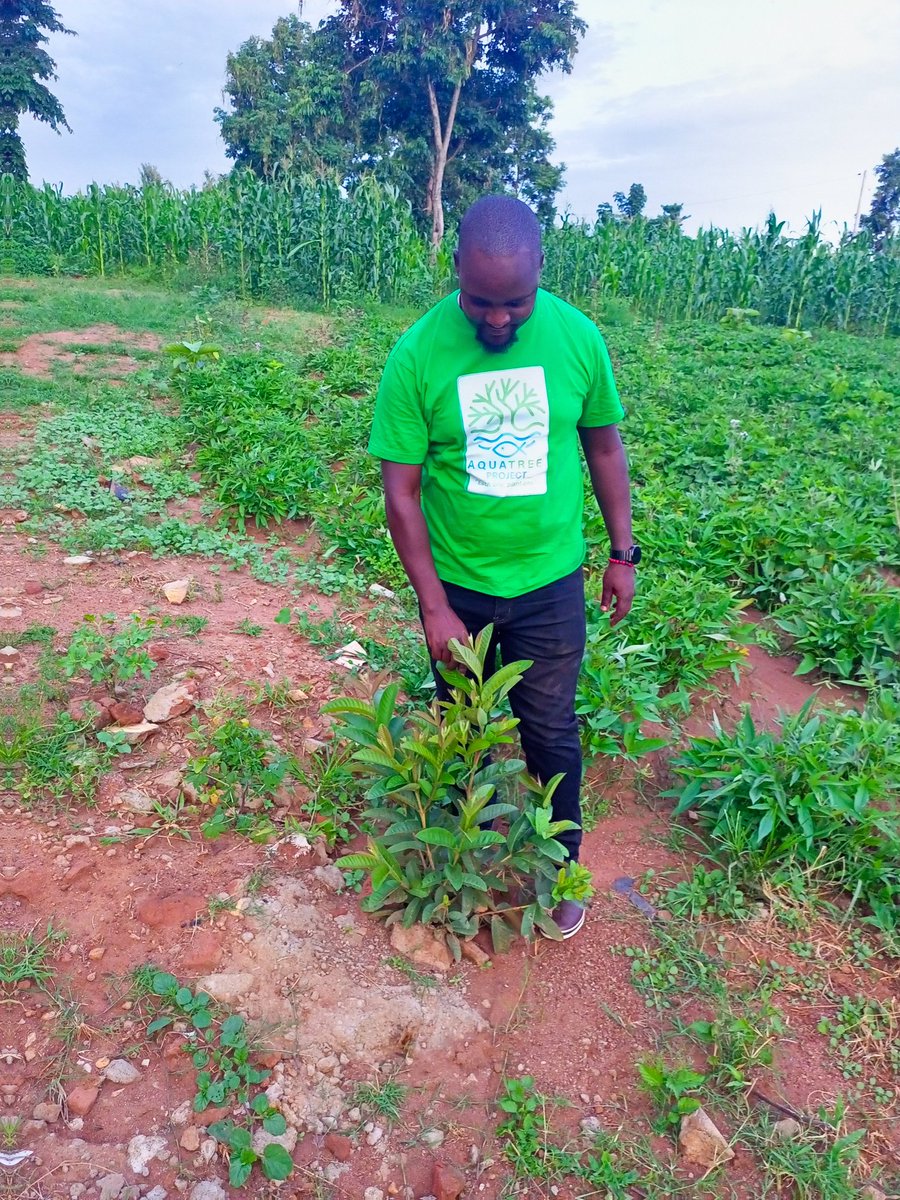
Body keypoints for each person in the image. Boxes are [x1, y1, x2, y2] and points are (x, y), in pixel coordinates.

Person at [368, 194, 638, 939]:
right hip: (461, 590)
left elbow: (604, 447)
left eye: (515, 303)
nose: (497, 319)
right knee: (463, 727)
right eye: (481, 301)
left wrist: (622, 552)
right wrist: (433, 607)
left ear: (541, 276)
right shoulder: (418, 353)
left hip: (550, 585)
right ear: (454, 269)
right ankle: (458, 857)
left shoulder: (578, 339)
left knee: (551, 733)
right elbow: (401, 492)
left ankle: (562, 869)